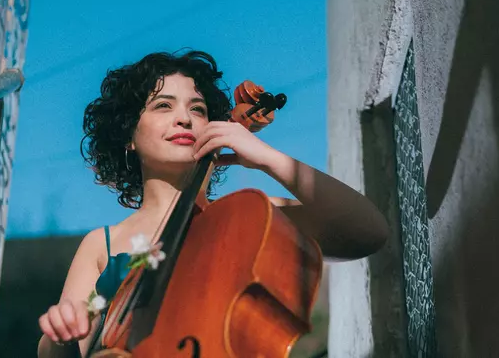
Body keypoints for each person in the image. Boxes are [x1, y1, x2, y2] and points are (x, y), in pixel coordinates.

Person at [37, 50, 389, 357]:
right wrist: (61, 332)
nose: (185, 119)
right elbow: (68, 344)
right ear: (129, 135)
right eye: (163, 105)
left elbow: (366, 231)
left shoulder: (246, 220)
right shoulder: (104, 244)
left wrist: (267, 158)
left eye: (198, 108)